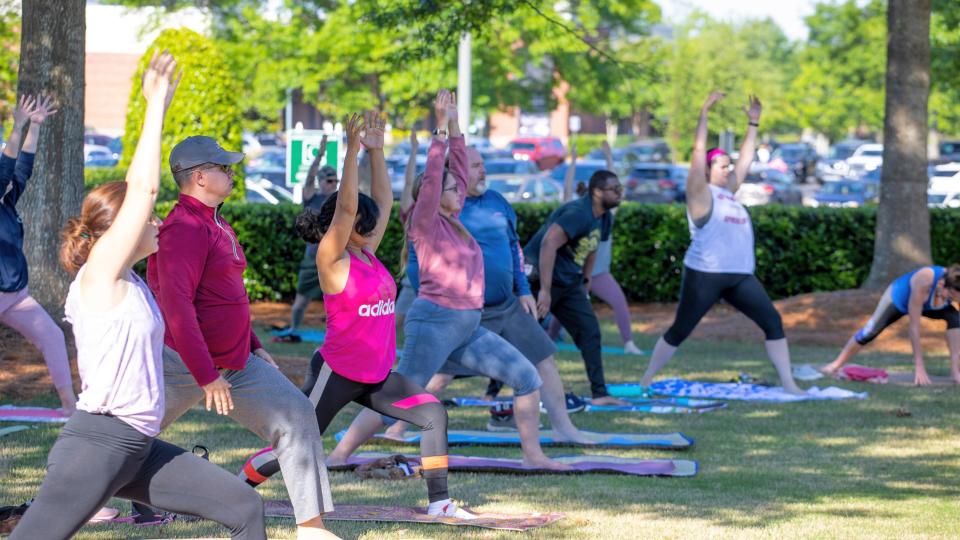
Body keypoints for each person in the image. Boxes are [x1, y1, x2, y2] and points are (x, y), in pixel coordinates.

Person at [10, 52, 266, 540]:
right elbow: (143, 189)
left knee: (245, 507)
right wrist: (155, 106)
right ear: (118, 231)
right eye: (146, 219)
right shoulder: (100, 274)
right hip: (98, 443)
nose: (156, 223)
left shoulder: (135, 282)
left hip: (139, 447)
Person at [240, 112, 471, 517]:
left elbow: (381, 202)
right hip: (337, 374)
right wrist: (352, 151)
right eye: (362, 223)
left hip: (377, 377)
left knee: (433, 413)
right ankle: (237, 488)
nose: (372, 226)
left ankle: (440, 503)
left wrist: (378, 152)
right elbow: (347, 210)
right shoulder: (334, 259)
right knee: (297, 442)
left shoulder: (367, 252)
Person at [328, 89, 565, 470]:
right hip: (435, 322)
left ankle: (534, 457)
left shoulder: (455, 222)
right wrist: (438, 129)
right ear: (434, 197)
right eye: (453, 189)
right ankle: (338, 456)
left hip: (468, 327)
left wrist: (455, 124)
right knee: (399, 400)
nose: (461, 191)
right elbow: (439, 173)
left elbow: (454, 166)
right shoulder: (425, 224)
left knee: (525, 377)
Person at [147, 125, 336, 538]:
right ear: (199, 176)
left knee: (297, 414)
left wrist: (254, 345)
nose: (233, 173)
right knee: (126, 435)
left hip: (234, 363)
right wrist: (206, 375)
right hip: (183, 363)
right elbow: (177, 308)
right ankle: (67, 503)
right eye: (223, 167)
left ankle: (312, 527)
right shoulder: (184, 229)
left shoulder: (215, 222)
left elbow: (226, 297)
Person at [385, 144, 593, 443]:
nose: (483, 170)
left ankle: (564, 429)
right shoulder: (441, 212)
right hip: (464, 312)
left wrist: (523, 290)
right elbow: (419, 265)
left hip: (507, 305)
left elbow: (513, 246)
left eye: (483, 164)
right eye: (475, 166)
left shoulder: (497, 201)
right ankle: (397, 427)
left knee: (543, 358)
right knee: (439, 375)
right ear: (455, 171)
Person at [638, 92, 804, 395]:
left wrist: (753, 122)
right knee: (680, 330)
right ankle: (646, 380)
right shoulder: (701, 195)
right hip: (705, 274)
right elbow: (699, 150)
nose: (729, 169)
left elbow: (746, 158)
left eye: (729, 166)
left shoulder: (729, 193)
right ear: (706, 171)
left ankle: (790, 384)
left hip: (739, 274)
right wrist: (704, 113)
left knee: (772, 322)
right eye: (722, 166)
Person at [523, 161, 629, 406]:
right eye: (614, 189)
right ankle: (491, 392)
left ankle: (600, 394)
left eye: (619, 188)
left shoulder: (603, 218)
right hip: (538, 279)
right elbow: (548, 244)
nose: (619, 192)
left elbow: (592, 247)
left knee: (590, 331)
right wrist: (545, 292)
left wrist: (586, 281)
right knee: (520, 335)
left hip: (569, 283)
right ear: (597, 192)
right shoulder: (578, 213)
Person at [0, 93, 76, 414]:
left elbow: (21, 170)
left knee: (53, 337)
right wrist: (17, 125)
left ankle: (69, 405)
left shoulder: (7, 203)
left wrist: (35, 126)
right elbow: (6, 169)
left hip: (15, 297)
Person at [547, 141, 643, 356]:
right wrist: (571, 162)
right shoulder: (575, 213)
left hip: (599, 274)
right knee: (562, 311)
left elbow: (613, 184)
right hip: (574, 273)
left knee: (619, 302)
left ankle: (629, 343)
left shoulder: (606, 214)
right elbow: (566, 191)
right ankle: (549, 341)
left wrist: (608, 156)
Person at [821, 265, 960, 386]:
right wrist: (919, 367)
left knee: (954, 317)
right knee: (870, 332)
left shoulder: (954, 283)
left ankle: (955, 371)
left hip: (928, 303)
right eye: (951, 297)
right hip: (898, 299)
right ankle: (836, 364)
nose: (952, 300)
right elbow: (914, 327)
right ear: (942, 284)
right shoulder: (924, 280)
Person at [277, 134, 338, 342]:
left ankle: (336, 334)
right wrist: (320, 154)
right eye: (329, 180)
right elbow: (309, 177)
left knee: (337, 299)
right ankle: (293, 329)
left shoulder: (336, 200)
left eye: (334, 181)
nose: (332, 184)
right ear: (321, 181)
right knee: (301, 300)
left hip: (334, 256)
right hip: (312, 257)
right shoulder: (312, 196)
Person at [394, 131, 419, 329]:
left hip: (435, 277)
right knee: (395, 322)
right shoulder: (411, 212)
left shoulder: (441, 213)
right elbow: (409, 183)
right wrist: (414, 151)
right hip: (413, 276)